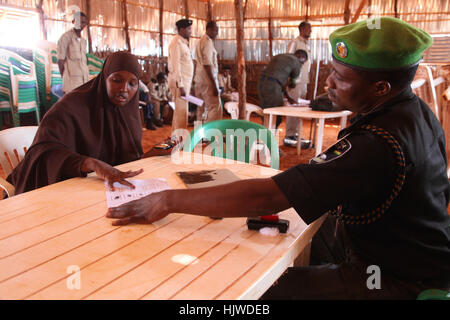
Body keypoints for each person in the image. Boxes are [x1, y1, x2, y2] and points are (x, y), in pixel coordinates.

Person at [106, 17, 450, 299]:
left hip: (393, 281)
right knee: (299, 242)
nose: (329, 83)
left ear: (380, 89)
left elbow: (269, 196)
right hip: (416, 258)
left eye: (341, 78)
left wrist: (167, 200)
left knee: (255, 291)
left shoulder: (377, 142)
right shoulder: (416, 112)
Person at [7, 51, 144, 194]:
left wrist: (156, 152)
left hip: (98, 189)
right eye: (116, 80)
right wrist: (91, 164)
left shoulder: (128, 112)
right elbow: (43, 154)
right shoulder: (71, 107)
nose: (124, 89)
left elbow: (129, 158)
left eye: (132, 84)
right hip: (55, 188)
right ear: (104, 78)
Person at [257, 50, 308, 130]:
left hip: (261, 84)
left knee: (265, 112)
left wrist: (288, 97)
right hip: (273, 87)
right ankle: (269, 138)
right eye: (303, 62)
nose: (301, 65)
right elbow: (293, 84)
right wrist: (291, 86)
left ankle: (264, 136)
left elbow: (279, 82)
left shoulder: (280, 56)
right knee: (276, 115)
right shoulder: (296, 62)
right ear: (301, 57)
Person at [285, 21, 312, 146]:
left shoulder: (306, 44)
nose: (310, 31)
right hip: (295, 81)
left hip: (304, 82)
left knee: (300, 109)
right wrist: (292, 80)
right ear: (301, 29)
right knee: (293, 107)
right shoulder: (295, 42)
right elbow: (288, 60)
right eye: (308, 29)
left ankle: (295, 133)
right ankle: (289, 135)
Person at [168, 19, 194, 140]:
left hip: (185, 83)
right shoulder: (176, 43)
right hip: (180, 84)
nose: (190, 31)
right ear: (182, 29)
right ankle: (179, 139)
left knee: (181, 111)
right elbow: (175, 66)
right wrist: (181, 85)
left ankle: (176, 137)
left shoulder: (183, 43)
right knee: (181, 111)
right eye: (188, 29)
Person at [194, 21, 221, 124]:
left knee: (200, 109)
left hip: (199, 80)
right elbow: (207, 64)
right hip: (208, 81)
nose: (217, 33)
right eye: (215, 30)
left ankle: (199, 135)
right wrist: (214, 85)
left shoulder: (201, 41)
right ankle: (210, 134)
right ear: (208, 29)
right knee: (214, 108)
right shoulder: (208, 42)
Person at [57, 11, 90, 94]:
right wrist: (65, 78)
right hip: (71, 85)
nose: (80, 24)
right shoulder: (65, 38)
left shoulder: (83, 41)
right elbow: (60, 61)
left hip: (84, 82)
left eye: (83, 22)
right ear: (73, 22)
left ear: (85, 24)